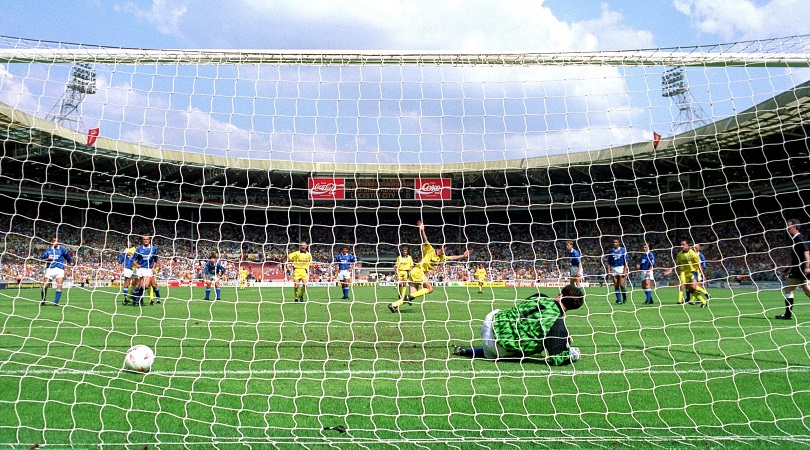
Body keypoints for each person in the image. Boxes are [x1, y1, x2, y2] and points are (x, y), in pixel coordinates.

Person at [452, 284, 584, 365]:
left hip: (491, 320)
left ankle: (468, 351)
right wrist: (573, 354)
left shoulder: (540, 296)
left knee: (517, 329)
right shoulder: (557, 323)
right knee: (526, 347)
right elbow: (555, 359)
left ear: (560, 294)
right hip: (499, 346)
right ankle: (476, 351)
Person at [388, 221, 470, 313]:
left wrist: (463, 256)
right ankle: (407, 297)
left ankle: (393, 305)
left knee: (412, 295)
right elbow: (425, 240)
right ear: (441, 248)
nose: (446, 251)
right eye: (445, 249)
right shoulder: (430, 250)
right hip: (417, 271)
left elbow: (451, 258)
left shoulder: (441, 257)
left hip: (414, 273)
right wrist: (422, 230)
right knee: (430, 289)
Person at [776, 219, 810, 320]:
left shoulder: (799, 238)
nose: (787, 228)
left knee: (789, 289)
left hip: (799, 268)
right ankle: (787, 314)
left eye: (789, 226)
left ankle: (787, 315)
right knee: (807, 290)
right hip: (798, 267)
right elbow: (797, 257)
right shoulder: (795, 238)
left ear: (794, 227)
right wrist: (789, 267)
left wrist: (807, 266)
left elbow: (806, 252)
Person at [670, 239, 709, 308]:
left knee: (693, 287)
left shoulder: (692, 253)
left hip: (693, 272)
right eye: (681, 244)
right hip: (685, 273)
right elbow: (677, 263)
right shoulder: (680, 254)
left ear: (687, 245)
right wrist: (671, 269)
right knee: (690, 289)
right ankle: (704, 302)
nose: (682, 246)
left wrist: (702, 275)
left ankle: (705, 293)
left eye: (683, 244)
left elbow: (699, 264)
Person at [40, 236, 74, 306]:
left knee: (59, 285)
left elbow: (69, 260)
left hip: (59, 269)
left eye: (56, 241)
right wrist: (48, 258)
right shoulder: (48, 250)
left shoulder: (63, 249)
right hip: (50, 269)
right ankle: (43, 301)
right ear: (51, 242)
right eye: (54, 241)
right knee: (44, 286)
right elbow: (41, 260)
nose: (55, 242)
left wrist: (68, 270)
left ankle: (56, 303)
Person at [131, 235, 161, 307]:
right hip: (140, 269)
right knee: (137, 285)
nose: (145, 240)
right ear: (142, 240)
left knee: (147, 285)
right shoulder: (139, 249)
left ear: (149, 240)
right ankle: (135, 301)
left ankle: (139, 297)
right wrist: (136, 265)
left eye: (147, 239)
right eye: (144, 239)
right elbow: (133, 259)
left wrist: (153, 268)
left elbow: (155, 260)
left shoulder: (153, 249)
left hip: (148, 269)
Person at [605, 238, 629, 304]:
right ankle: (619, 300)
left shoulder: (623, 250)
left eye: (616, 242)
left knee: (622, 285)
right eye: (614, 242)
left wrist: (625, 270)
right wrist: (608, 270)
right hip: (614, 268)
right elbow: (609, 262)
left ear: (618, 243)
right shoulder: (611, 251)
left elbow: (626, 261)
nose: (614, 243)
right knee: (616, 285)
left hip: (621, 268)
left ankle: (624, 297)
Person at [117, 237, 137, 305]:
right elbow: (120, 261)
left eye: (129, 242)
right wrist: (119, 268)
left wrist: (131, 254)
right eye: (127, 242)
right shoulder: (123, 251)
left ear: (131, 243)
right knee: (127, 283)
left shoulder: (135, 250)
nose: (128, 243)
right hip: (127, 268)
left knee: (134, 283)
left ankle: (133, 297)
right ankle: (126, 297)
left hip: (134, 268)